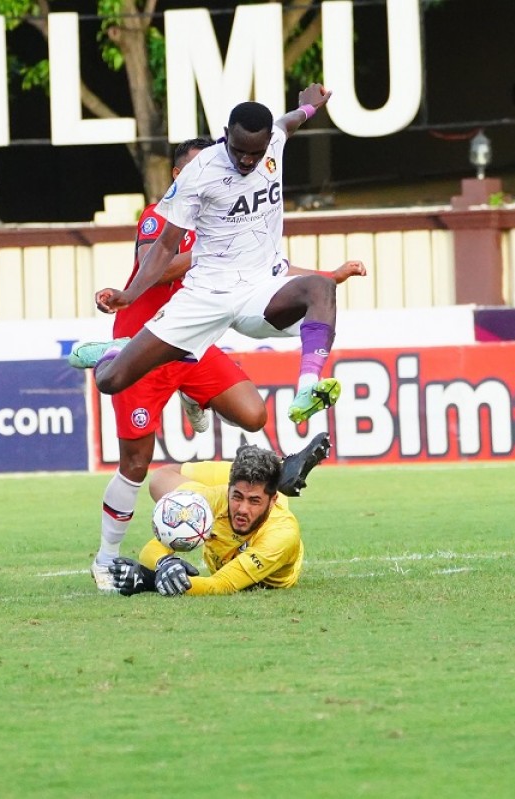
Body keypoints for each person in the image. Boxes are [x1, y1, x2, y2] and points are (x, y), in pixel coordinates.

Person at [89, 137, 337, 592]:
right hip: (147, 346)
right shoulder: (160, 215)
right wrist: (212, 248)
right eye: (194, 170)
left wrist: (325, 277)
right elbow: (154, 266)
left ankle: (211, 412)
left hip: (194, 346)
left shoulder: (230, 215)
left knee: (253, 414)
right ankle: (105, 559)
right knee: (136, 463)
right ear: (178, 177)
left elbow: (268, 268)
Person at [69, 83, 367, 425]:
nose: (246, 160)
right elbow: (164, 245)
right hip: (206, 296)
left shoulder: (274, 141)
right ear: (225, 134)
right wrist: (130, 294)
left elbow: (288, 122)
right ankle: (118, 350)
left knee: (320, 287)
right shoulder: (199, 174)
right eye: (238, 150)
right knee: (111, 381)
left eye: (255, 154)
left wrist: (308, 108)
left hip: (258, 290)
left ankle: (307, 388)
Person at [107, 443, 308, 596]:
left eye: (254, 501)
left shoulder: (282, 533)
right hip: (215, 488)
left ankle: (275, 465)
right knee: (159, 480)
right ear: (228, 489)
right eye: (237, 497)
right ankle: (264, 465)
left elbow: (221, 584)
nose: (242, 509)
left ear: (272, 500)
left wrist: (148, 579)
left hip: (267, 577)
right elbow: (155, 546)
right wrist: (165, 563)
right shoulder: (215, 499)